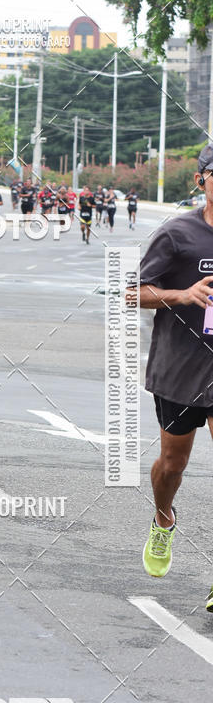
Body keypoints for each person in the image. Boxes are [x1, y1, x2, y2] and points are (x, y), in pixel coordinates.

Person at [138, 142, 213, 611]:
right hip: (182, 368)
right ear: (202, 180)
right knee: (173, 465)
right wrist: (184, 295)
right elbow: (133, 292)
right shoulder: (178, 233)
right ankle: (164, 517)